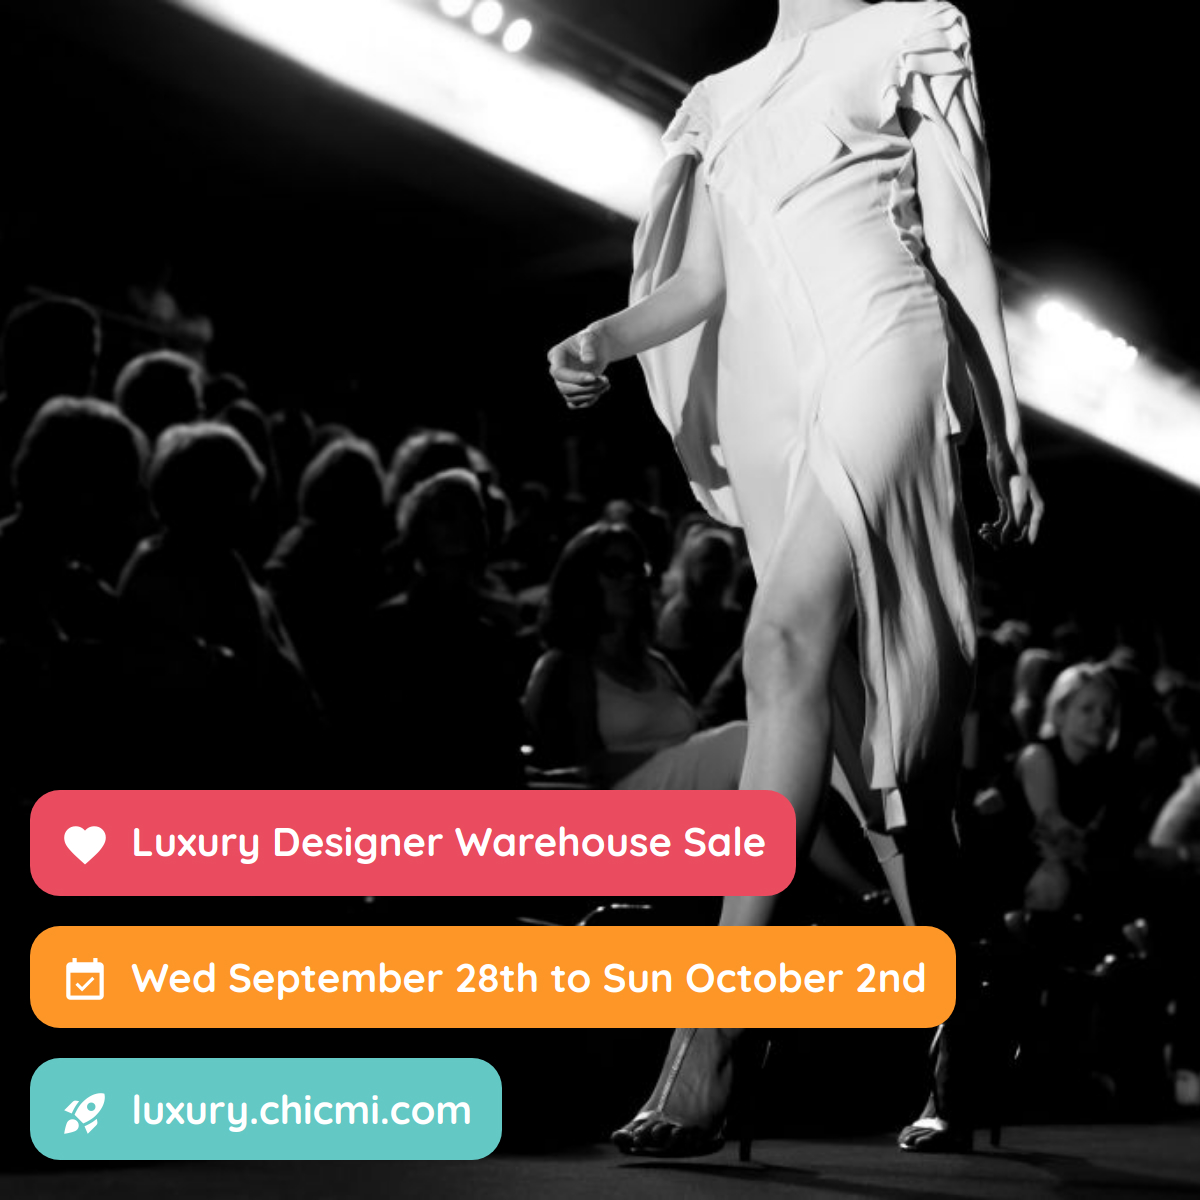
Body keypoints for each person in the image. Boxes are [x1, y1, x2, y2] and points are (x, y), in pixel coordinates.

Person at [548, 0, 1042, 1157]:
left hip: (890, 351)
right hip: (783, 402)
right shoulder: (717, 99)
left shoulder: (915, 29)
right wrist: (602, 339)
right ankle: (964, 1013)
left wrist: (1003, 428)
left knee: (778, 650)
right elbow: (702, 283)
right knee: (882, 759)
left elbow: (957, 235)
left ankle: (721, 1026)